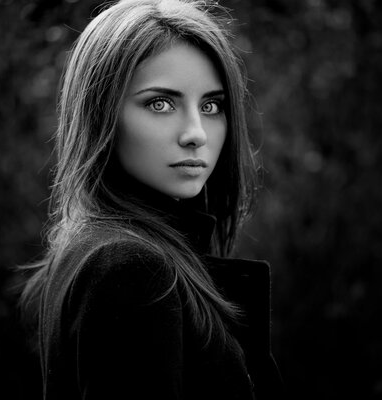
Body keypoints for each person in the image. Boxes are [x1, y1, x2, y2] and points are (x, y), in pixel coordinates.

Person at [20, 0, 283, 398]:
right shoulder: (131, 270)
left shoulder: (95, 251)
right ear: (100, 114)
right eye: (160, 103)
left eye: (211, 106)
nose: (196, 133)